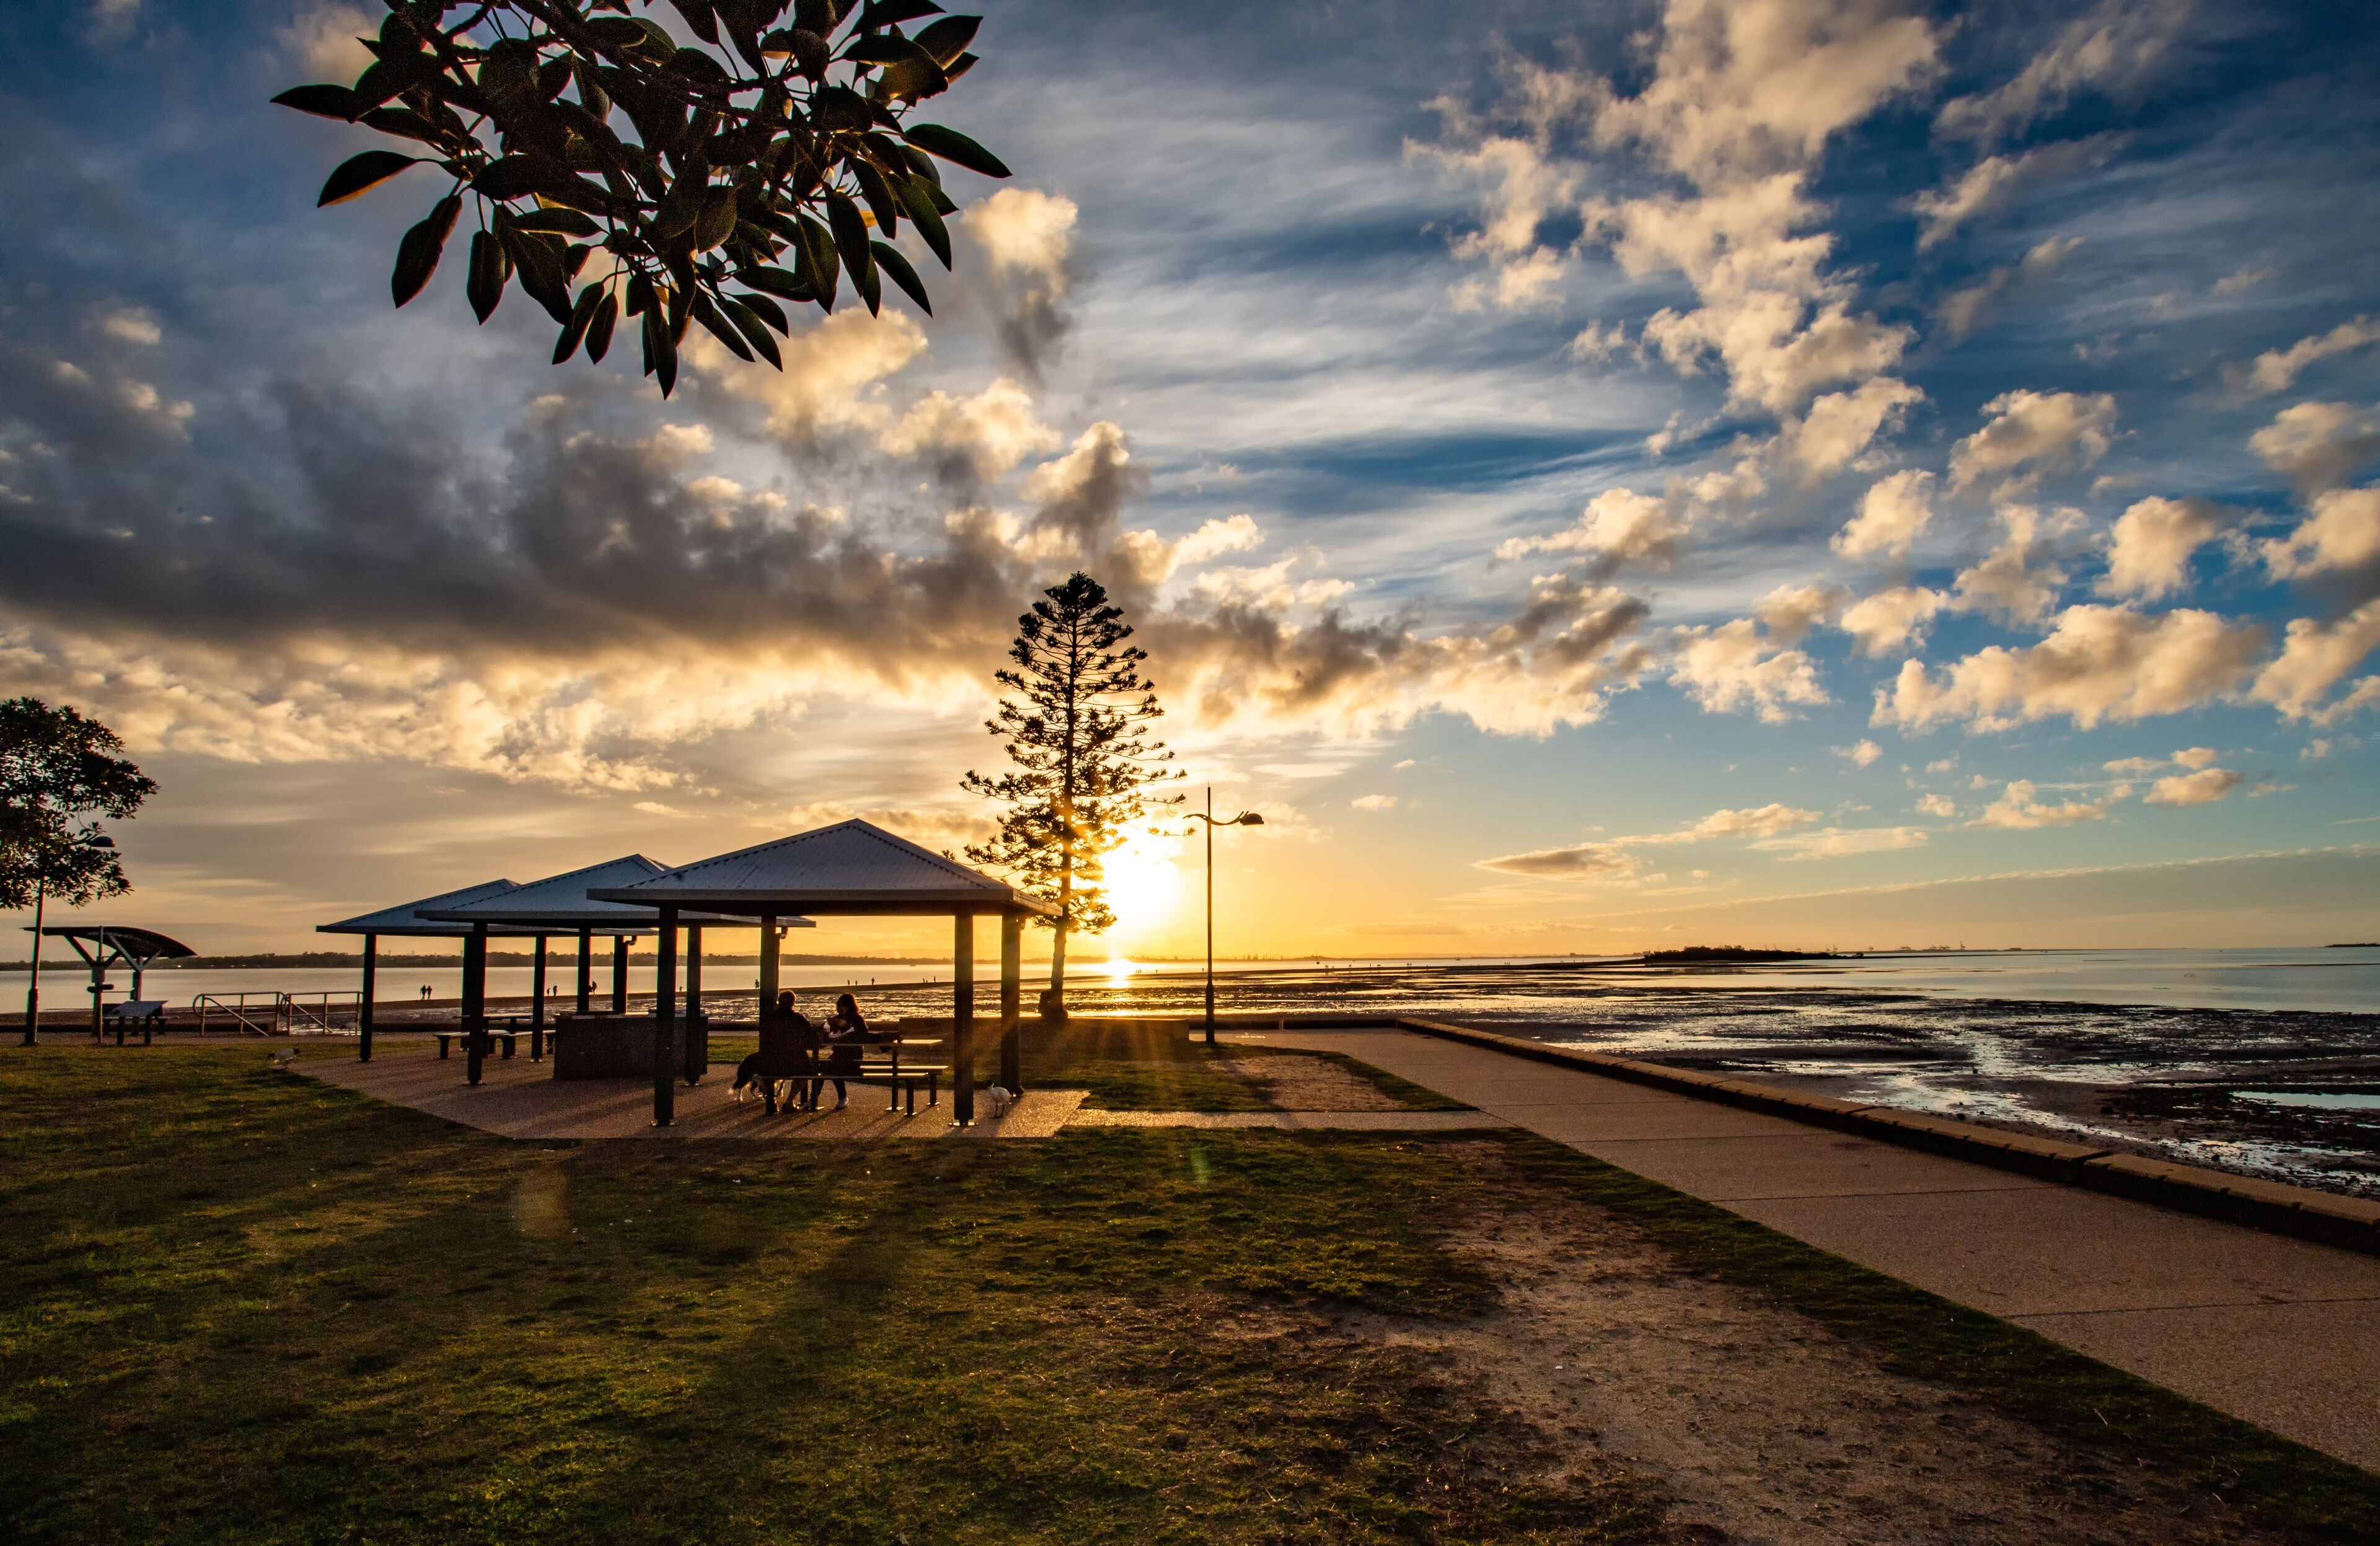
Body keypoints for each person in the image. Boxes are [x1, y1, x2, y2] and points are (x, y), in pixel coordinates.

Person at [814, 991, 873, 1110]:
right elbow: (827, 1032)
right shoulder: (837, 1019)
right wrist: (826, 1028)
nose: (840, 1008)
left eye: (843, 1005)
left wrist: (844, 1027)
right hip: (838, 1055)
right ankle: (816, 1099)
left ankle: (839, 1098)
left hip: (853, 1057)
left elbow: (862, 1035)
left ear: (850, 1006)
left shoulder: (857, 1019)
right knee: (824, 1067)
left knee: (831, 1068)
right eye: (839, 1005)